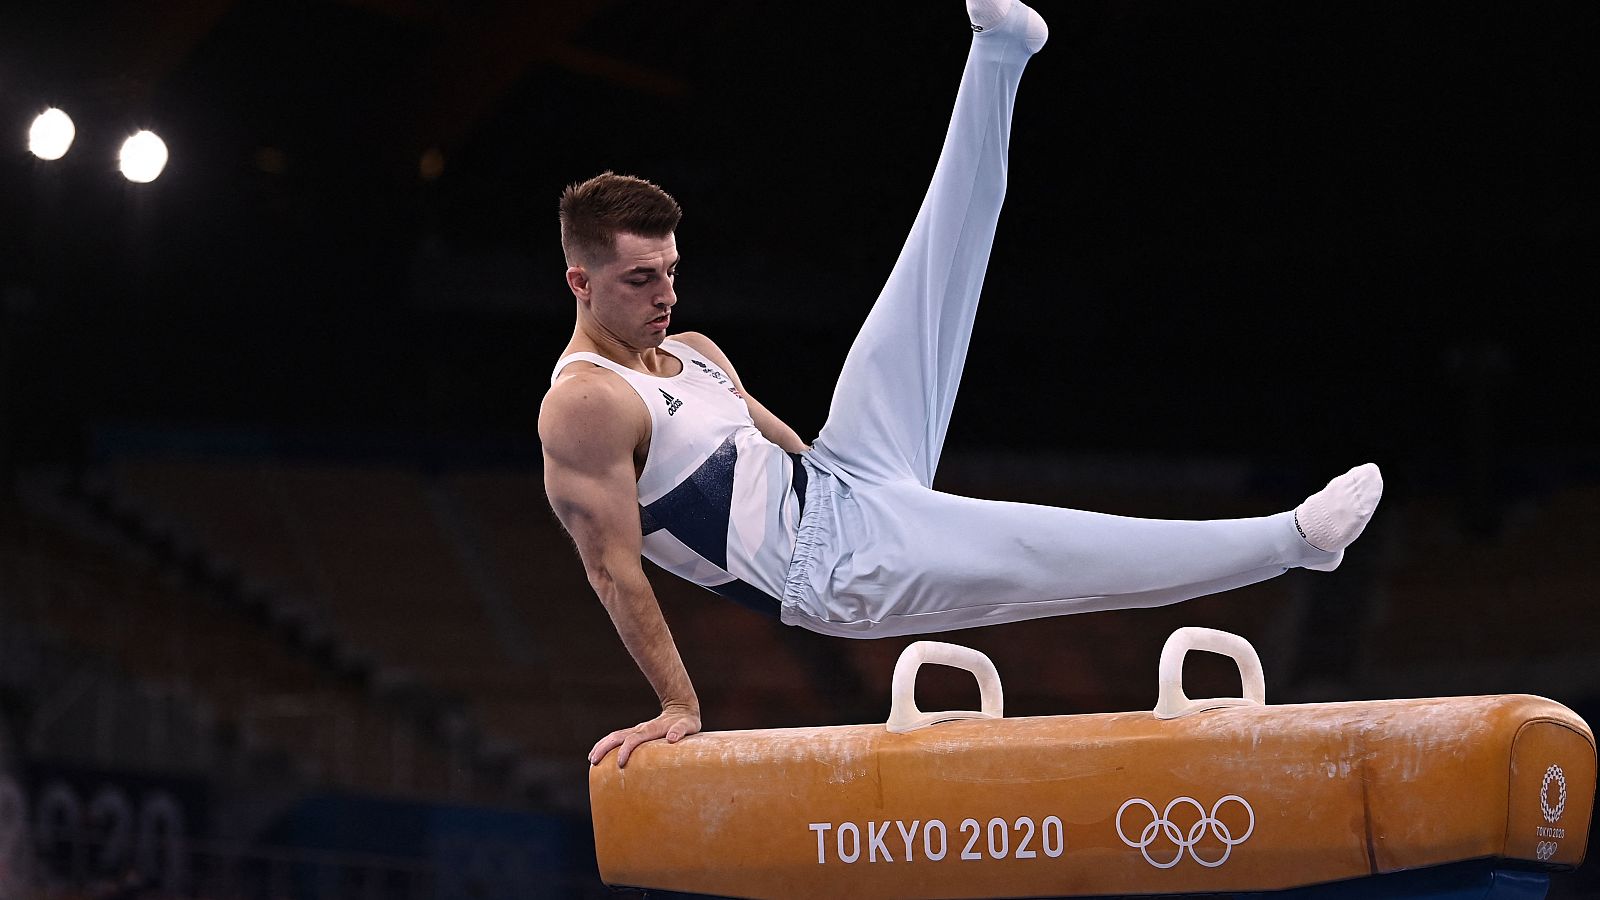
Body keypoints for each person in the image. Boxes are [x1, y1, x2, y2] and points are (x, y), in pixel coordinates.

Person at [540, 0, 1382, 768]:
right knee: (1044, 547)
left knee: (932, 272)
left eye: (673, 271)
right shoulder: (585, 405)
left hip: (844, 482)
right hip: (832, 570)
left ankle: (1000, 53)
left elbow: (783, 451)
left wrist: (860, 477)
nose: (668, 295)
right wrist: (678, 706)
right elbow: (613, 570)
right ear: (581, 283)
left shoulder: (692, 347)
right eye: (641, 280)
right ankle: (1295, 543)